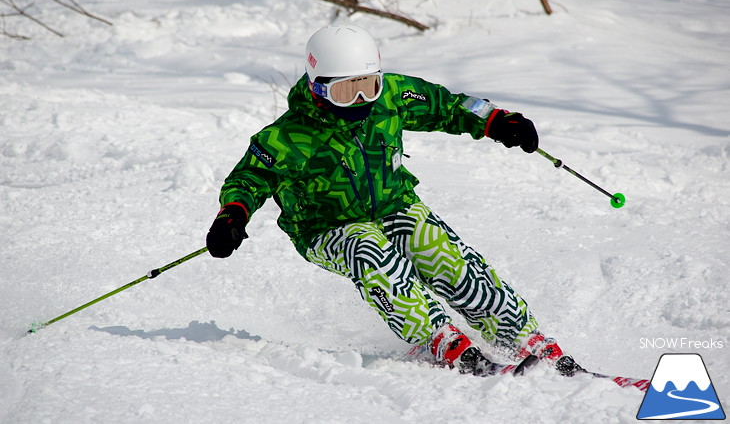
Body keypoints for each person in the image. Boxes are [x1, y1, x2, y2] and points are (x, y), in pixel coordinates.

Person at [206, 24, 581, 377]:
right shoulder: (285, 137)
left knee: (443, 255)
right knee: (369, 250)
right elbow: (248, 179)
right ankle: (439, 340)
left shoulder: (392, 96)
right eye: (344, 91)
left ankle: (520, 336)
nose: (358, 100)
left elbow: (446, 106)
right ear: (317, 87)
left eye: (368, 86)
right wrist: (232, 217)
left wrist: (496, 121)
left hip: (395, 205)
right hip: (326, 227)